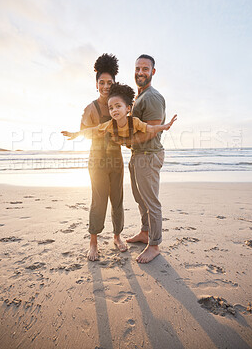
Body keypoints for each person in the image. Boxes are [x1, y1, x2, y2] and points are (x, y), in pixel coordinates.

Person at [62, 54, 127, 261]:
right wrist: (99, 130)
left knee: (117, 199)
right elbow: (84, 133)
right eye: (102, 83)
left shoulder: (119, 105)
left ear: (114, 84)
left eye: (109, 83)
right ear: (96, 84)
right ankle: (93, 243)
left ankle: (117, 236)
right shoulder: (90, 108)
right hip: (97, 160)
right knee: (98, 201)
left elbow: (127, 131)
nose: (106, 86)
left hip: (116, 160)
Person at [125, 54, 170, 263]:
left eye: (145, 69)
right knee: (139, 198)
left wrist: (127, 141)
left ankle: (154, 244)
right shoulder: (140, 96)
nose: (140, 72)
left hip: (148, 156)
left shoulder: (152, 97)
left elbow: (151, 131)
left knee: (151, 202)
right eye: (137, 68)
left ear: (153, 72)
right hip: (138, 155)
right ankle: (145, 233)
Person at [62, 82, 177, 141]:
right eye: (111, 108)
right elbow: (92, 130)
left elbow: (151, 128)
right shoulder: (110, 125)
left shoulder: (135, 122)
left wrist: (165, 126)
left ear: (127, 108)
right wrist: (75, 134)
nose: (114, 110)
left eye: (118, 106)